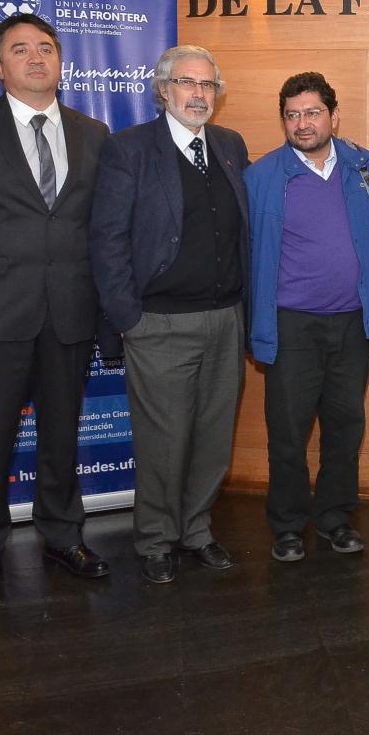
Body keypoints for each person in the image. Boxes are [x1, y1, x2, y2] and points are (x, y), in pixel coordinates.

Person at [0, 13, 111, 607]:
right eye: (21, 49)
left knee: (61, 434)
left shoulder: (93, 133)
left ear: (61, 62)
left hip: (70, 311)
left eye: (47, 48)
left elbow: (99, 223)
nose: (36, 58)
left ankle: (62, 535)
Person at [89, 45, 250, 584]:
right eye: (187, 83)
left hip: (225, 318)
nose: (198, 94)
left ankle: (197, 530)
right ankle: (156, 539)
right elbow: (107, 240)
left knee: (213, 437)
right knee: (164, 441)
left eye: (208, 85)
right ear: (163, 90)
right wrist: (128, 319)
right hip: (158, 323)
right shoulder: (129, 149)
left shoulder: (230, 145)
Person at [245, 72, 369, 562]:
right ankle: (288, 525)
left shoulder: (358, 165)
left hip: (351, 323)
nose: (303, 123)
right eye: (292, 115)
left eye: (312, 112)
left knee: (345, 426)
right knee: (288, 431)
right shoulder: (262, 177)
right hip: (291, 326)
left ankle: (335, 518)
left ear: (334, 115)